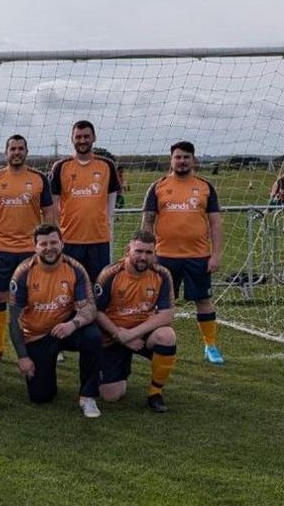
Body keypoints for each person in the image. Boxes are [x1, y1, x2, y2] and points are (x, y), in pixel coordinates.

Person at [142, 141, 225, 364]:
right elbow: (147, 222)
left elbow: (215, 223)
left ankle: (210, 346)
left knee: (203, 300)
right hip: (164, 257)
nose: (182, 161)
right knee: (160, 304)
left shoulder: (205, 187)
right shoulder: (158, 186)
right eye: (178, 157)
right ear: (171, 160)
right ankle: (159, 344)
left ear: (193, 160)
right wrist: (147, 254)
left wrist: (215, 255)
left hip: (198, 256)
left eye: (186, 157)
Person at [8, 223, 103, 418]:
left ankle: (88, 396)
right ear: (35, 247)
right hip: (37, 335)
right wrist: (23, 357)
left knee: (92, 336)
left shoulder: (75, 268)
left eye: (53, 242)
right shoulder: (23, 272)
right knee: (40, 396)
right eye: (43, 244)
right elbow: (14, 320)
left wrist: (73, 324)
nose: (49, 248)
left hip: (65, 328)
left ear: (62, 244)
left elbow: (90, 308)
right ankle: (46, 367)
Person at [0, 134, 55, 358]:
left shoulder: (40, 179)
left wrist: (49, 244)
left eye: (20, 149)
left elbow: (49, 212)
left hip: (31, 250)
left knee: (36, 296)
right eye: (12, 149)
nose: (16, 152)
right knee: (0, 297)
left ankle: (39, 339)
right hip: (1, 248)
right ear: (6, 152)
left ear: (26, 152)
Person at [95, 231, 178, 413]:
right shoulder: (110, 274)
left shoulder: (162, 274)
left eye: (149, 253)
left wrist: (131, 335)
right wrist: (120, 336)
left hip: (140, 334)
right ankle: (118, 369)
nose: (143, 257)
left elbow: (166, 315)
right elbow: (96, 312)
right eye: (138, 251)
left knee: (166, 335)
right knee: (111, 396)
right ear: (128, 250)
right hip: (113, 333)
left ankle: (155, 393)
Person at [49, 120, 121, 283]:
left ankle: (96, 310)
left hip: (99, 240)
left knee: (99, 285)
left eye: (86, 136)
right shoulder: (60, 167)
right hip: (69, 240)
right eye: (78, 137)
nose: (82, 140)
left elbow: (111, 199)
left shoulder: (107, 165)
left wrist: (107, 223)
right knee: (70, 285)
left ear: (94, 137)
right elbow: (54, 204)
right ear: (72, 139)